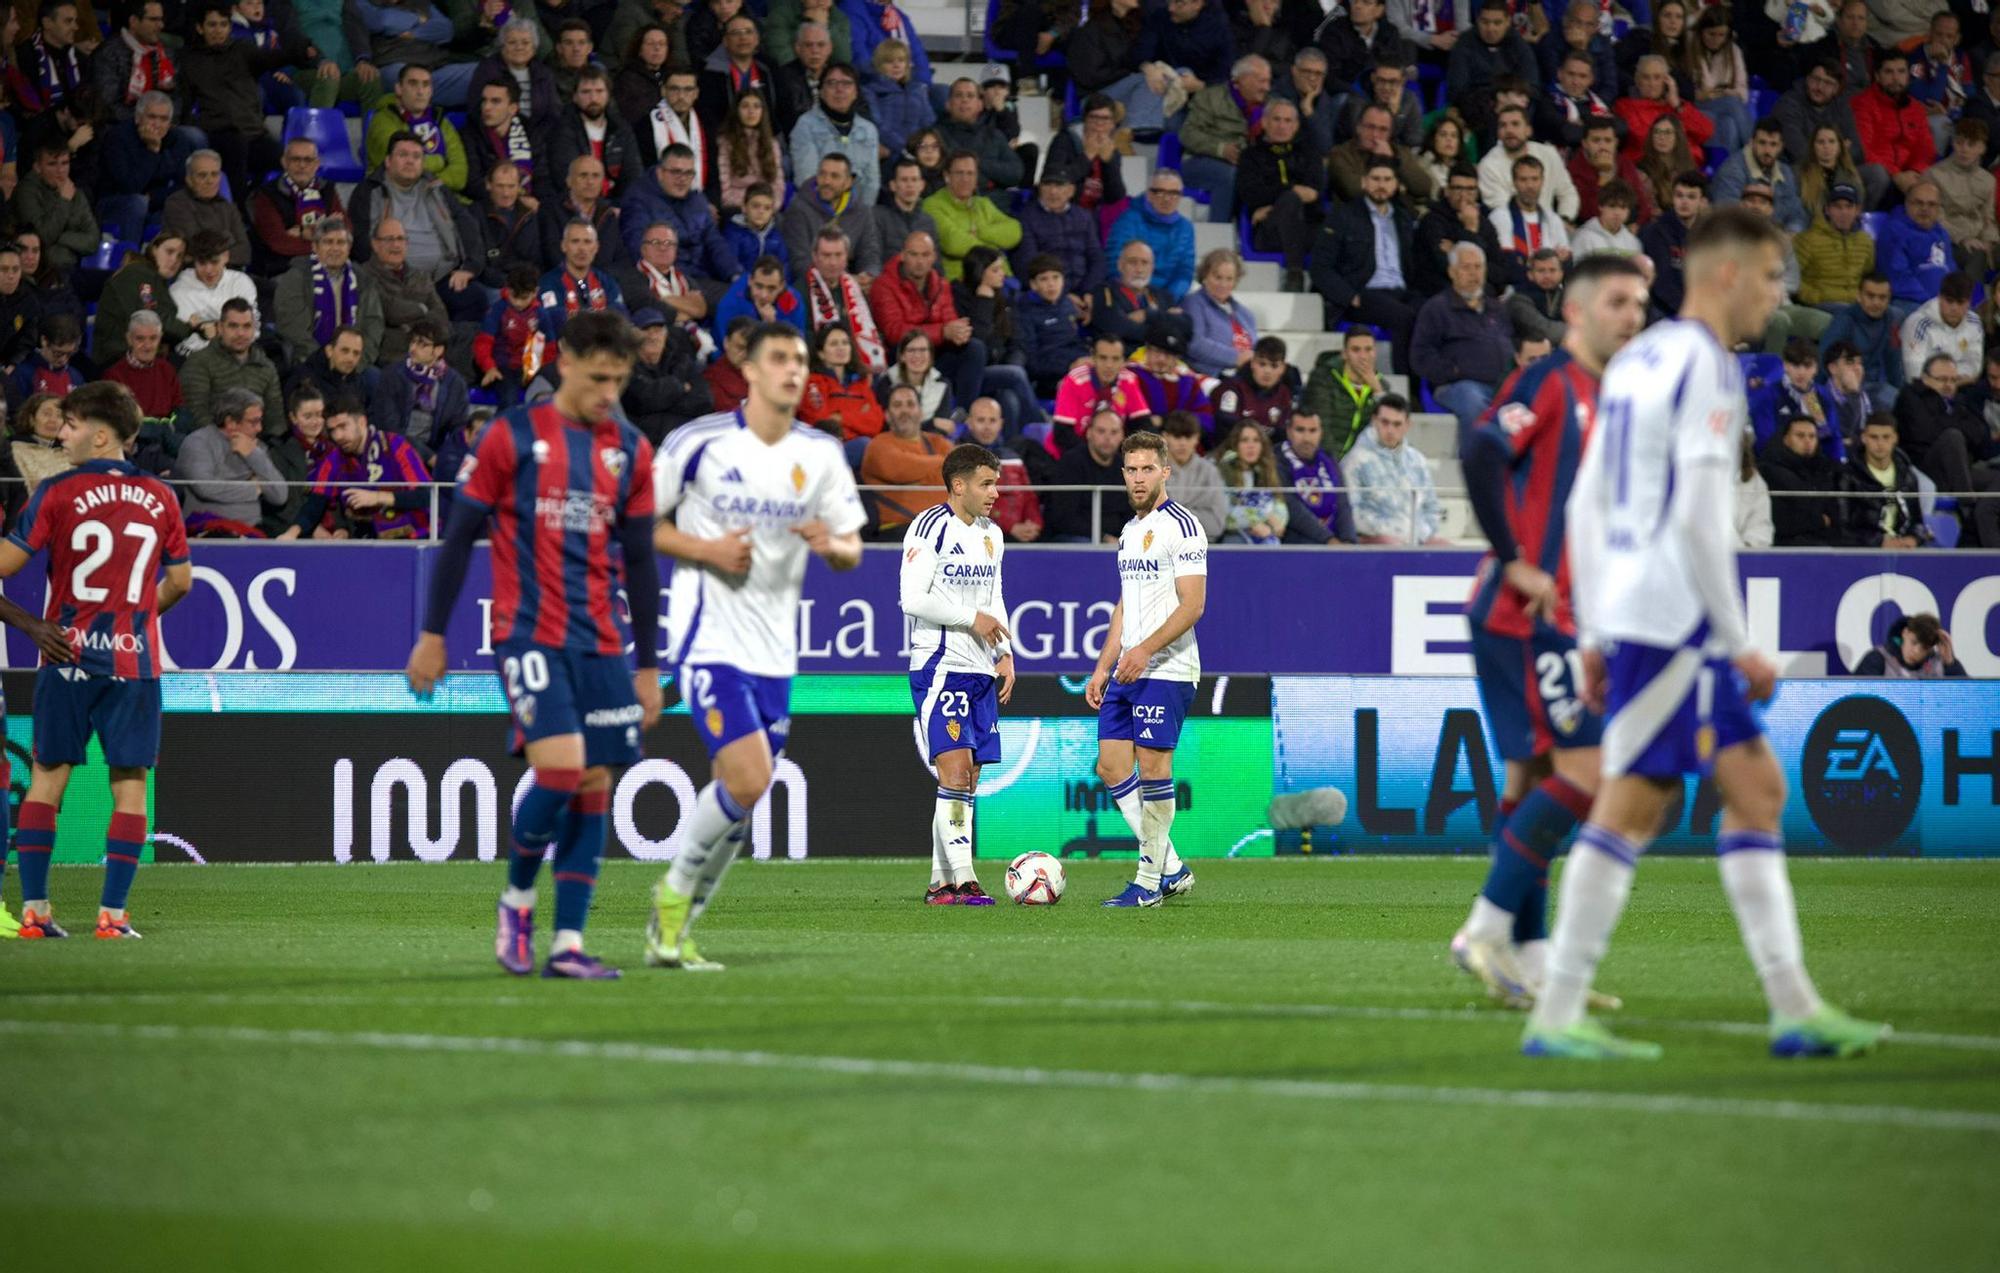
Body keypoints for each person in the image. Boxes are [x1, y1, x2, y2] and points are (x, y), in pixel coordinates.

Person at [1529, 205, 1889, 1060]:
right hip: (1674, 619)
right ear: (1727, 274)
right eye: (1771, 277)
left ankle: (1795, 1006)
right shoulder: (1706, 367)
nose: (1778, 296)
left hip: (1640, 613)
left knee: (1755, 787)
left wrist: (1587, 631)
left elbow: (1586, 503)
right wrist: (1736, 640)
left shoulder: (1637, 358)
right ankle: (1557, 1011)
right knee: (1634, 803)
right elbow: (1699, 517)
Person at [406, 311, 661, 979]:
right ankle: (517, 898)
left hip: (602, 637)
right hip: (526, 630)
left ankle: (569, 943)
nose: (609, 391)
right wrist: (432, 633)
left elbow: (639, 561)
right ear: (565, 361)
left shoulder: (631, 450)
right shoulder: (512, 436)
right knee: (561, 768)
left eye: (620, 379)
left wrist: (649, 666)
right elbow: (459, 536)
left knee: (595, 779)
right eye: (598, 376)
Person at [1449, 253, 1651, 1001]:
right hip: (1526, 614)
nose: (1633, 316)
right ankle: (1486, 925)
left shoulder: (1605, 394)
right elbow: (1479, 446)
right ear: (1577, 311)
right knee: (1589, 775)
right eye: (1619, 302)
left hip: (1546, 616)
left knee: (1533, 779)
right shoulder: (1550, 381)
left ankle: (1530, 965)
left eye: (1640, 304)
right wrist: (1515, 561)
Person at [646, 321, 863, 968]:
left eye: (800, 359)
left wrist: (835, 547)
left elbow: (852, 543)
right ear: (748, 368)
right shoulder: (698, 442)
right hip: (707, 629)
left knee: (744, 795)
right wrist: (705, 548)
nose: (793, 369)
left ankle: (675, 933)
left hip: (775, 647)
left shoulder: (822, 453)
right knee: (749, 775)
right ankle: (672, 895)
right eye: (779, 358)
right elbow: (635, 520)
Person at [0, 381, 190, 940]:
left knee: (46, 779)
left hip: (65, 656)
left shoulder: (57, 492)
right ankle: (112, 916)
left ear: (101, 434)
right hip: (133, 662)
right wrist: (137, 618)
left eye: (72, 425)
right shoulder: (162, 496)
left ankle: (35, 911)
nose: (62, 433)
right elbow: (181, 581)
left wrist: (33, 624)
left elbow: (6, 565)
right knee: (129, 785)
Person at [1086, 429, 1204, 907]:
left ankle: (1149, 880)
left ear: (1164, 471)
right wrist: (1103, 666)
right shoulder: (1131, 531)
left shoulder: (1183, 525)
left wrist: (1145, 650)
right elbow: (1123, 607)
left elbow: (1193, 604)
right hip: (1128, 669)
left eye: (1146, 469)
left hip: (1168, 668)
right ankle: (1171, 866)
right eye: (1131, 470)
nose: (1138, 478)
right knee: (1111, 765)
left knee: (1154, 768)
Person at [899, 444, 1014, 904]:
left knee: (970, 777)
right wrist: (972, 620)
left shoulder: (993, 535)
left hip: (980, 668)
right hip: (940, 664)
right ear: (959, 485)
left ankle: (938, 882)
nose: (995, 492)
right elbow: (913, 598)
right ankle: (966, 879)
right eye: (987, 483)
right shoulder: (929, 528)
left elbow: (996, 597)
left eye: (996, 483)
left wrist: (1004, 651)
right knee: (955, 771)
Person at [1413, 242, 1515, 428]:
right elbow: (1421, 355)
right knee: (1473, 401)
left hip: (1499, 385)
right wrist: (1456, 371)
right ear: (1452, 272)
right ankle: (1477, 457)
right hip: (1459, 386)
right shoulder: (1436, 308)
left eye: (1478, 267)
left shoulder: (1497, 309)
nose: (1473, 273)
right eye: (1466, 267)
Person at [177, 385, 290, 534]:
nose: (260, 428)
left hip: (252, 529)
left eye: (260, 421)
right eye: (253, 422)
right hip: (209, 530)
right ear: (230, 422)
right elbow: (206, 488)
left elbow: (280, 495)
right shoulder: (198, 442)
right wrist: (255, 489)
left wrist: (253, 454)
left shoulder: (256, 447)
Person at [275, 217, 386, 368]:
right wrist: (326, 361)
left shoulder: (363, 280)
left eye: (341, 242)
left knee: (379, 384)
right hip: (310, 362)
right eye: (328, 242)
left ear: (349, 247)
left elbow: (374, 325)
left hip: (355, 364)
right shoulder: (296, 277)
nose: (335, 248)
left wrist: (358, 361)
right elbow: (293, 328)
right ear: (315, 246)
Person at [1342, 394, 1448, 544]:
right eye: (1385, 422)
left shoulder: (1417, 460)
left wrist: (1423, 534)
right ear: (1374, 421)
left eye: (1397, 424)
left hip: (1416, 539)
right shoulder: (1355, 461)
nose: (1390, 430)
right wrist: (1392, 533)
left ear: (1407, 425)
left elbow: (1431, 506)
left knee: (1447, 548)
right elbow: (1351, 511)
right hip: (1375, 541)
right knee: (1392, 545)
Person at [180, 299, 284, 436]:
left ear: (254, 329)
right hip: (212, 445)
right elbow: (196, 413)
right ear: (220, 328)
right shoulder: (199, 362)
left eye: (246, 326)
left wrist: (270, 448)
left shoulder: (266, 367)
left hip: (256, 446)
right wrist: (226, 442)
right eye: (233, 326)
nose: (240, 333)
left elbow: (275, 417)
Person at [368, 317, 469, 453]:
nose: (413, 348)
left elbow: (459, 428)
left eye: (422, 344)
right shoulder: (392, 375)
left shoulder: (455, 384)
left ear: (438, 350)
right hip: (395, 451)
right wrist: (427, 456)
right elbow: (390, 428)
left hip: (434, 453)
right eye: (413, 341)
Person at [1852, 49, 1936, 200]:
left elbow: (1925, 148)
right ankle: (1863, 221)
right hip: (1875, 171)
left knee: (1937, 175)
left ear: (1908, 76)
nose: (1896, 78)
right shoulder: (1862, 104)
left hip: (1908, 173)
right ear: (1877, 76)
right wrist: (1896, 174)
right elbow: (1863, 149)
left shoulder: (1915, 108)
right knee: (1879, 175)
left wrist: (1915, 171)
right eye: (1889, 72)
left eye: (1901, 71)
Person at [1839, 412, 1929, 549]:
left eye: (1886, 437)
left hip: (1903, 549)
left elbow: (1918, 522)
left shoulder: (1907, 475)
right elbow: (1841, 526)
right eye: (1874, 437)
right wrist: (1879, 541)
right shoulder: (1847, 475)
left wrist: (1914, 538)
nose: (1880, 443)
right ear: (1864, 438)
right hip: (1863, 551)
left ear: (1895, 438)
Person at [1925, 119, 1998, 282]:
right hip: (1948, 241)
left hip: (1979, 239)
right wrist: (1963, 238)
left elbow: (1988, 218)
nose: (1964, 149)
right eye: (1959, 143)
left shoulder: (1988, 180)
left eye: (1971, 144)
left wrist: (1989, 241)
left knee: (1987, 250)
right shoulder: (1934, 175)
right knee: (1976, 255)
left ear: (1982, 148)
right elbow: (1936, 217)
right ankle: (1970, 305)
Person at [1794, 182, 1874, 311]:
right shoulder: (1808, 240)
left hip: (1856, 303)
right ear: (1827, 210)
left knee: (1894, 314)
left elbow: (1868, 274)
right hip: (1822, 305)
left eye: (1849, 207)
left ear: (1857, 210)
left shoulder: (1865, 241)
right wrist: (1815, 297)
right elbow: (1792, 277)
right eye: (1837, 207)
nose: (1844, 212)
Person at [798, 320, 883, 441]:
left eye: (845, 343)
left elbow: (876, 423)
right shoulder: (813, 383)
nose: (841, 348)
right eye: (833, 344)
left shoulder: (861, 382)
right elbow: (821, 424)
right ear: (821, 353)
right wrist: (858, 416)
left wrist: (840, 417)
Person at [1184, 250, 1258, 381]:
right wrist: (1236, 357)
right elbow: (1195, 344)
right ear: (1205, 276)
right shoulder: (1194, 303)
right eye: (1217, 277)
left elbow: (1255, 348)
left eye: (1229, 279)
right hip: (1211, 376)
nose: (1223, 284)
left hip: (1247, 375)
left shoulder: (1246, 314)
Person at [1214, 419, 1287, 545]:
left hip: (1266, 534)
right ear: (1235, 444)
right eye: (1244, 440)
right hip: (1233, 536)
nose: (1251, 446)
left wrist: (1272, 526)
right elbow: (1223, 513)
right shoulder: (1222, 470)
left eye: (1256, 440)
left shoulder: (1266, 469)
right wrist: (1258, 520)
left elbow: (1280, 505)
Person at [1901, 272, 1982, 383]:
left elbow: (1974, 367)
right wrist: (1948, 382)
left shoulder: (1974, 322)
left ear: (1969, 302)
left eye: (1960, 302)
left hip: (1960, 386)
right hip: (1924, 392)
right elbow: (1914, 376)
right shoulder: (1918, 323)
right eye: (1949, 301)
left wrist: (1949, 382)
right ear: (1939, 298)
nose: (1954, 308)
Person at [1853, 611, 1967, 676]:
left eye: (1924, 648)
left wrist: (1950, 664)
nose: (1916, 651)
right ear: (1905, 632)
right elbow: (1860, 705)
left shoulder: (1939, 664)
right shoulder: (1878, 659)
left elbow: (1969, 700)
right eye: (1914, 642)